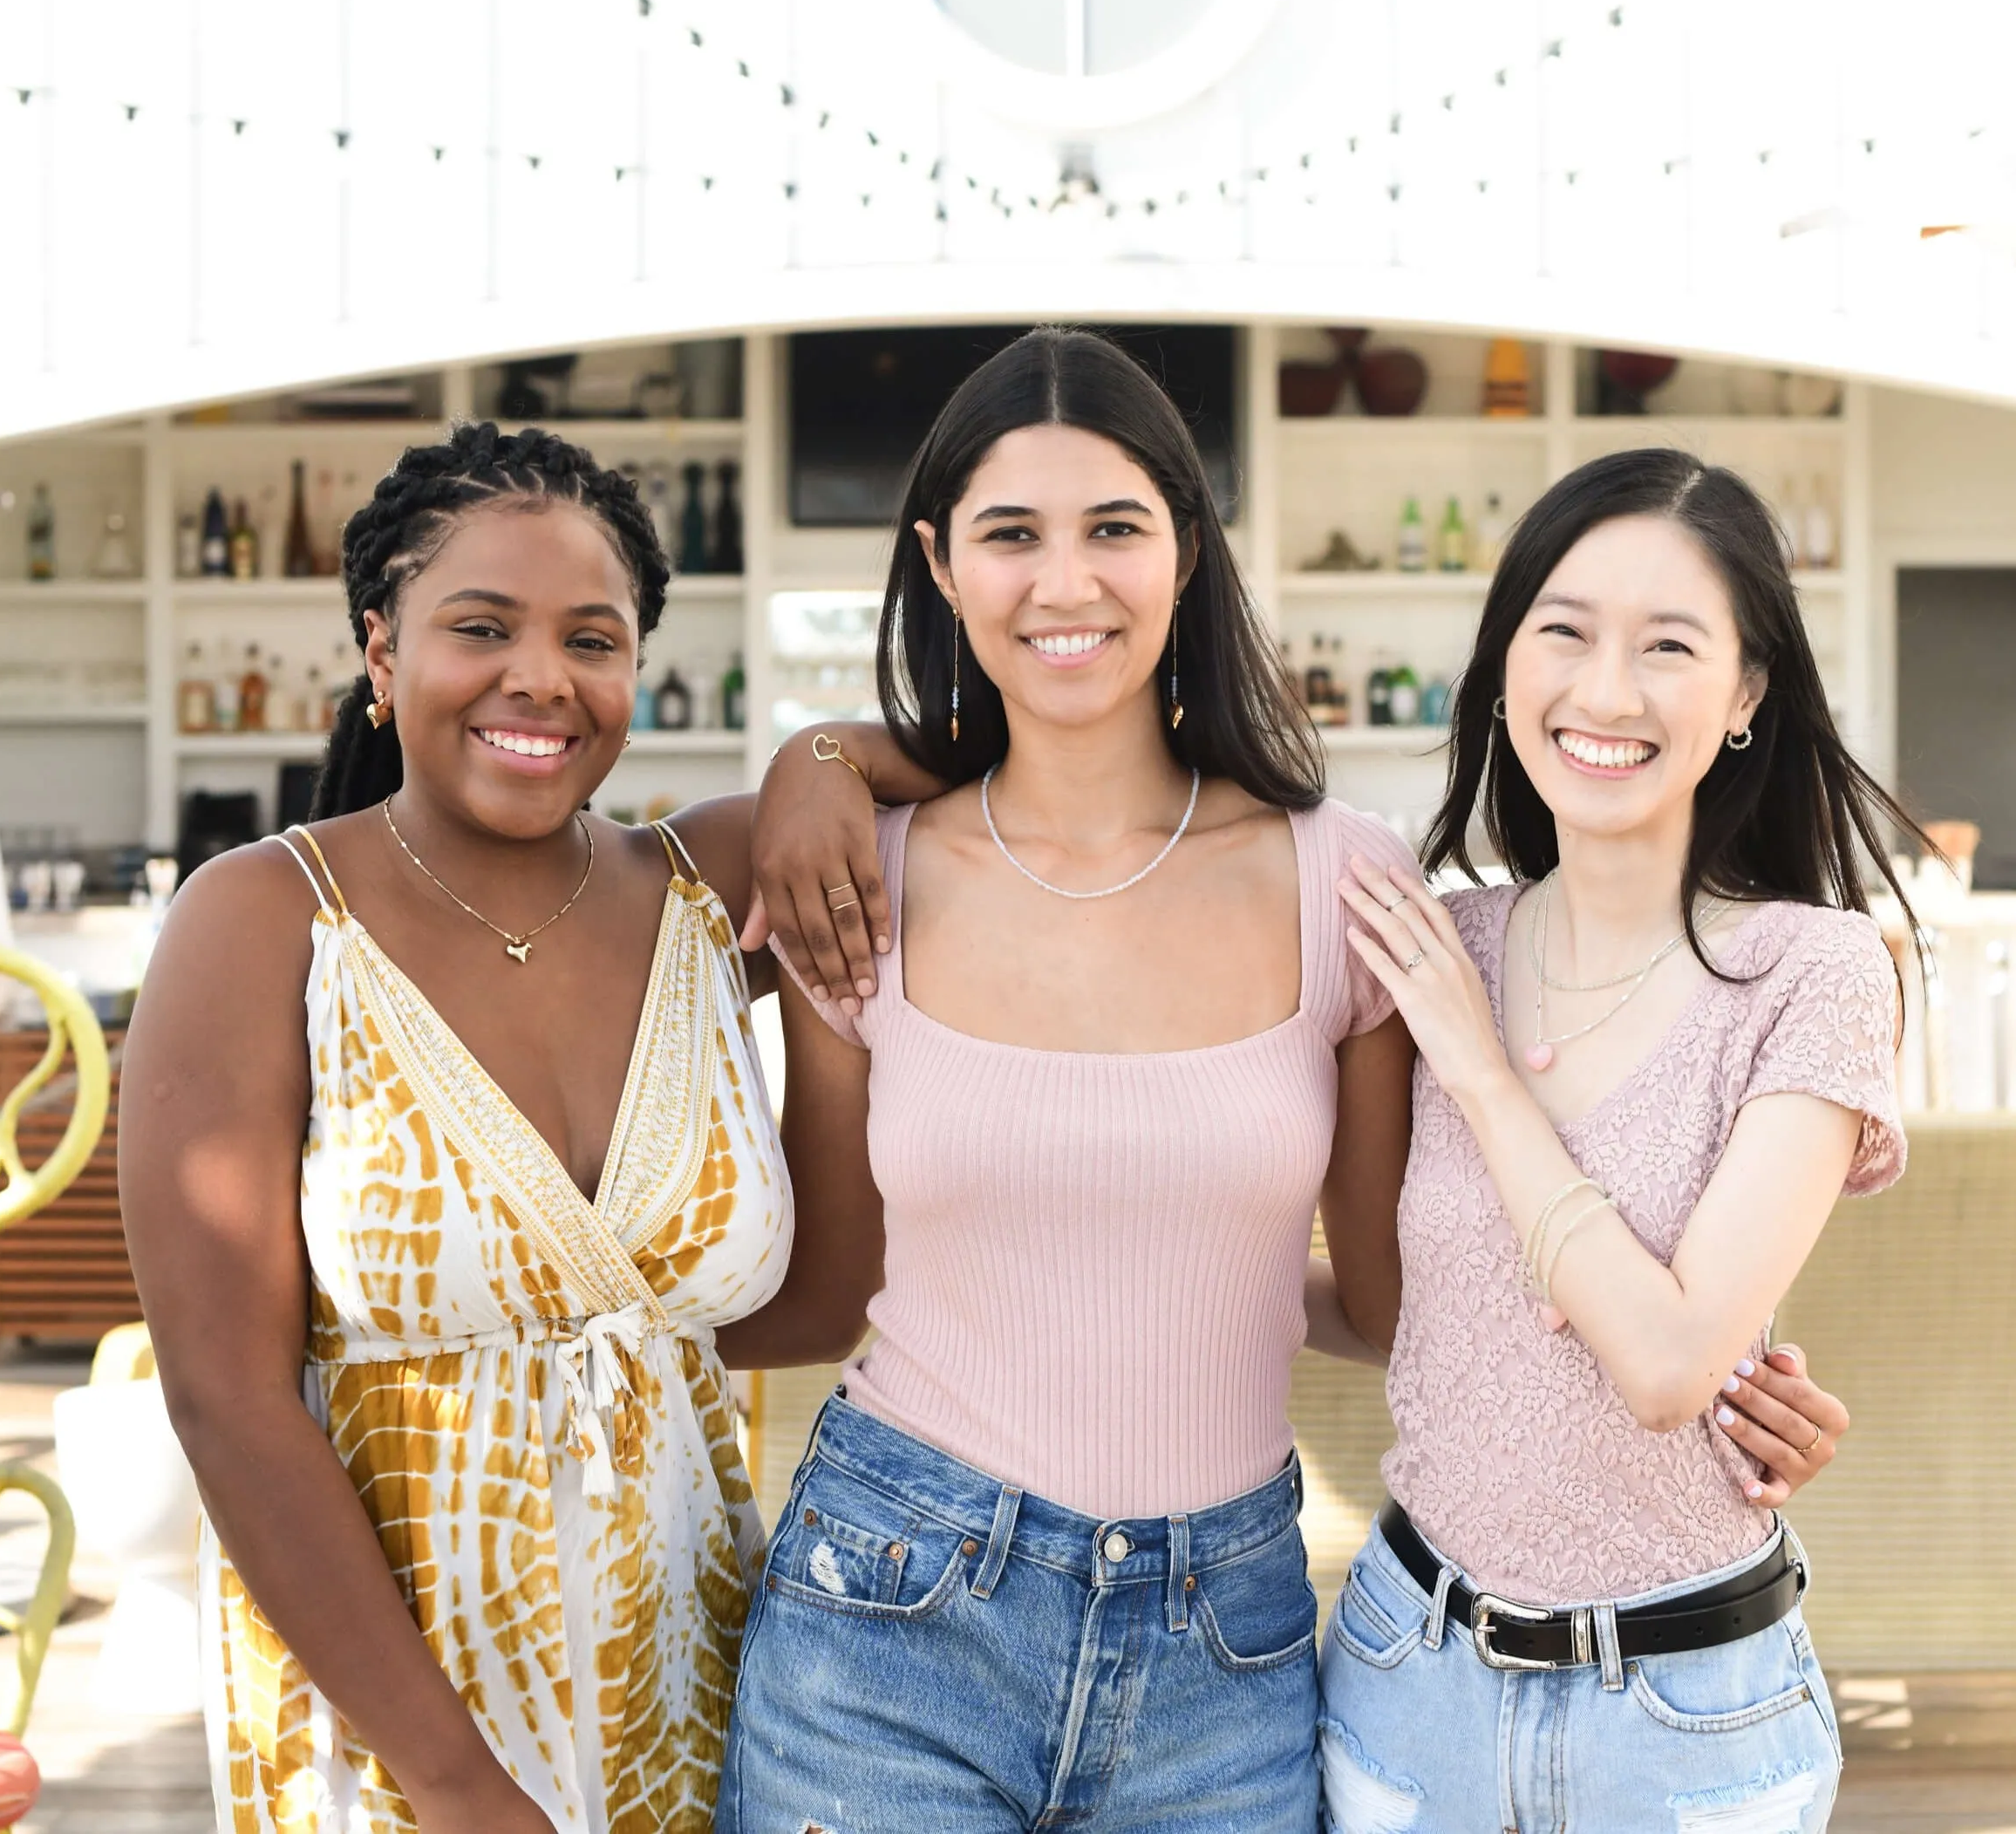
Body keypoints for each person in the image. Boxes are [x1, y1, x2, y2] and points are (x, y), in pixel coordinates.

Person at [715, 332, 1850, 1834]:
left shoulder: (1351, 888)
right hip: (894, 1595)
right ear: (937, 562)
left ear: (1187, 548)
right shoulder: (861, 877)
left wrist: (1727, 1374)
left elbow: (1395, 1295)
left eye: (1114, 526)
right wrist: (819, 756)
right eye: (1009, 534)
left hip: (1227, 1633)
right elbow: (822, 1274)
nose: (1065, 581)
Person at [119, 424, 923, 1834]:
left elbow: (1016, 747)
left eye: (592, 639)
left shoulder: (706, 881)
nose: (541, 677)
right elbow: (225, 1398)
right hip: (391, 1722)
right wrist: (455, 1787)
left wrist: (822, 754)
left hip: (702, 1680)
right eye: (479, 626)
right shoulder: (262, 918)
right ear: (381, 653)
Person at [1319, 448, 1917, 1833]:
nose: (1603, 691)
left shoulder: (1814, 973)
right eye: (1564, 631)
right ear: (1505, 658)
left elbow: (1661, 1365)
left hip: (1686, 1718)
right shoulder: (1435, 943)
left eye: (1667, 646)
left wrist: (1475, 1068)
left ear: (1746, 692)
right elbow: (1404, 1310)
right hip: (1411, 1685)